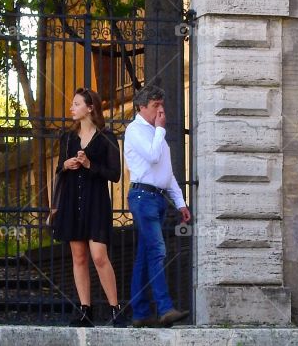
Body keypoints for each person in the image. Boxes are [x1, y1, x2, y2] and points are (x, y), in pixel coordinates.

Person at [50, 87, 127, 327]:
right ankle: (86, 310)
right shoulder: (68, 138)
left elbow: (115, 174)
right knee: (79, 257)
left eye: (76, 104)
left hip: (96, 203)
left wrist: (89, 163)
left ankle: (115, 308)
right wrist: (67, 164)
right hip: (72, 202)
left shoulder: (107, 137)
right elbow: (59, 171)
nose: (71, 108)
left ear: (90, 108)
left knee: (99, 256)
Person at [124, 84, 192, 328]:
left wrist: (180, 203)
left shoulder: (156, 134)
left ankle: (140, 312)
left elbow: (167, 173)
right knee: (158, 250)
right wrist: (160, 131)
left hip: (157, 200)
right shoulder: (136, 131)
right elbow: (152, 157)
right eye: (155, 106)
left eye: (162, 105)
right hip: (143, 199)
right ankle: (164, 308)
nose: (161, 111)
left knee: (145, 257)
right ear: (142, 107)